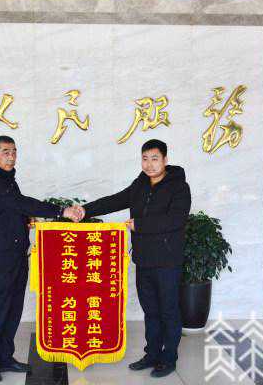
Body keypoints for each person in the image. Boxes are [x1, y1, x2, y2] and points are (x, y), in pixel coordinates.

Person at [79, 139, 191, 378]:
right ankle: (152, 355)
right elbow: (115, 200)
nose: (149, 164)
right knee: (150, 311)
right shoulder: (140, 184)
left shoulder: (179, 187)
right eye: (145, 159)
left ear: (165, 160)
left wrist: (140, 224)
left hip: (167, 262)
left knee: (169, 310)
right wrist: (85, 210)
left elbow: (175, 220)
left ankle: (169, 358)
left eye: (155, 159)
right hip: (144, 260)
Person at [0, 136, 82, 382]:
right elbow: (20, 203)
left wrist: (26, 220)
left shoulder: (8, 179)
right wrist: (61, 211)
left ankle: (5, 357)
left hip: (15, 255)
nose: (11, 156)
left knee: (12, 309)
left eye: (14, 151)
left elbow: (11, 211)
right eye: (5, 152)